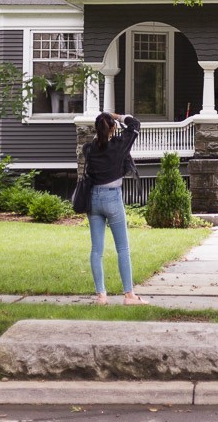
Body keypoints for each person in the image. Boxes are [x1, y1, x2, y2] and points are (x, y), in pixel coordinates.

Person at [82, 111, 147, 305]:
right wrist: (117, 116)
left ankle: (101, 295)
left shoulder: (89, 149)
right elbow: (135, 124)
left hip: (93, 198)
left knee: (96, 249)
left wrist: (106, 126)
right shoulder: (119, 146)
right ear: (112, 128)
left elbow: (98, 142)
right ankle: (129, 295)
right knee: (122, 248)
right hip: (112, 197)